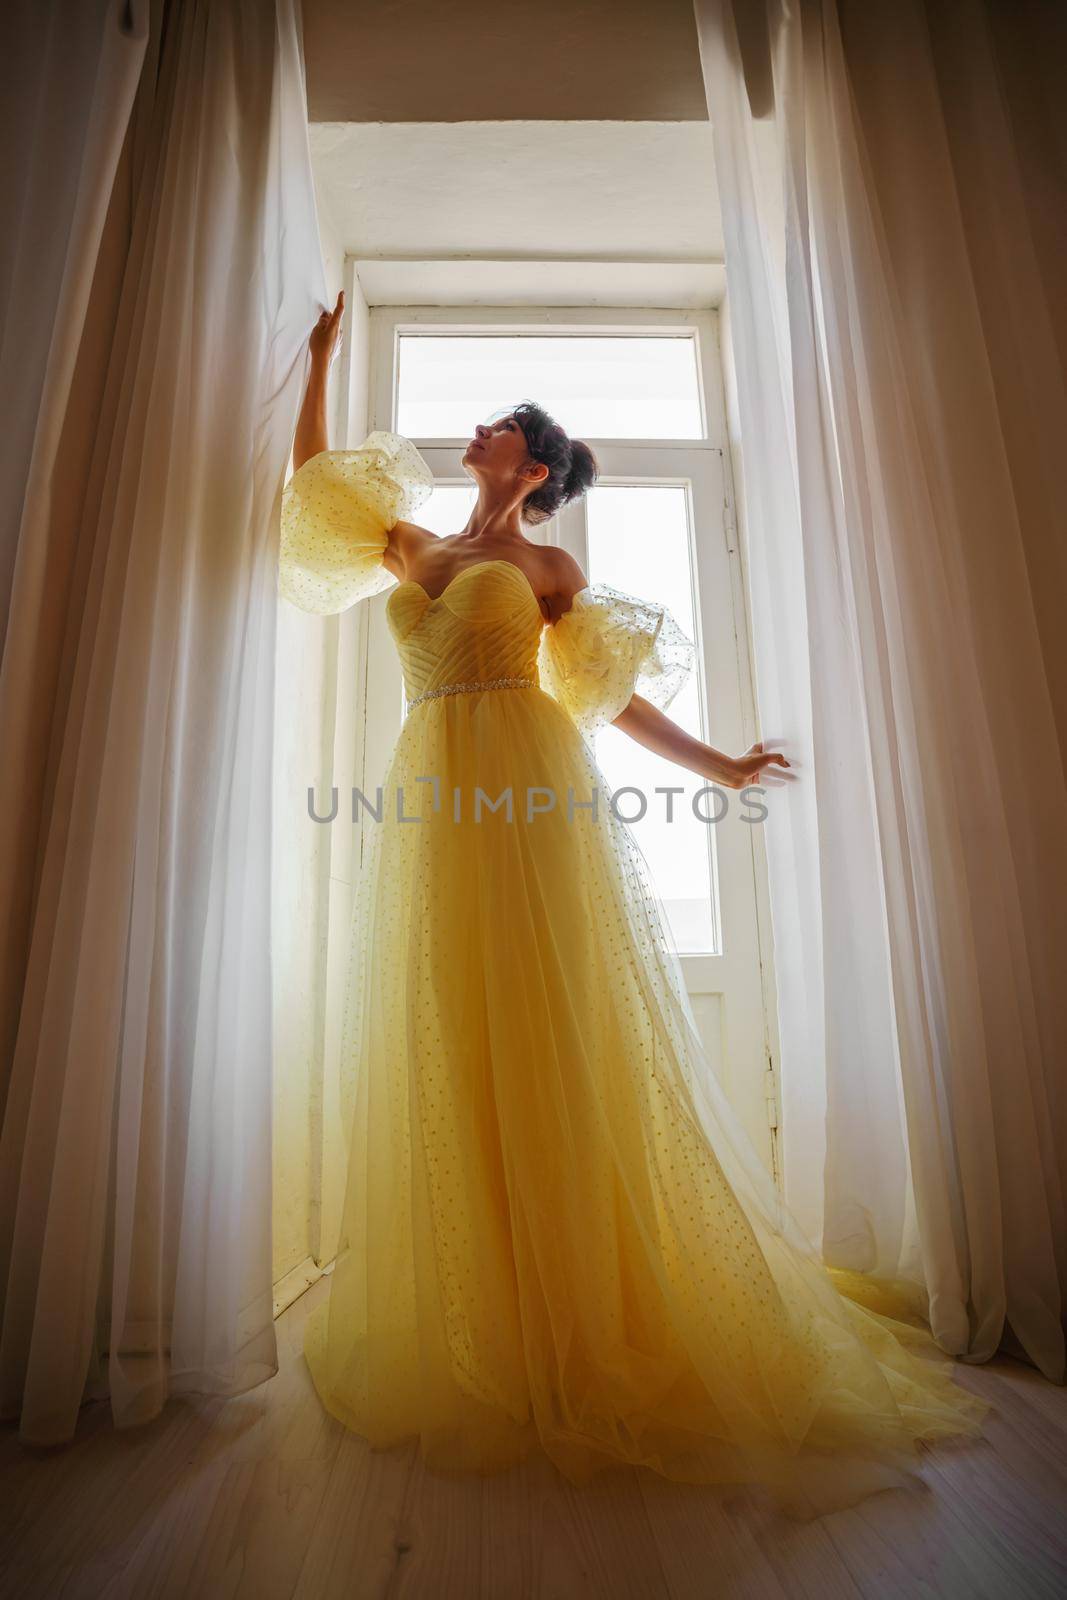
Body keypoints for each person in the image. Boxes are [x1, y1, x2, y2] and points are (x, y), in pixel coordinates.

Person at [279, 293, 988, 1515]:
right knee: (452, 1028)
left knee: (558, 1030)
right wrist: (321, 359)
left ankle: (585, 1306)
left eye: (496, 424)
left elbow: (602, 697)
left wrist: (716, 765)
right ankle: (485, 1310)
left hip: (529, 796)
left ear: (534, 462)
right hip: (435, 800)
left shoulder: (548, 567)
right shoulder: (411, 549)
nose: (475, 430)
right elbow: (312, 486)